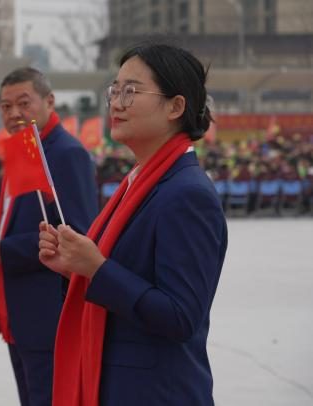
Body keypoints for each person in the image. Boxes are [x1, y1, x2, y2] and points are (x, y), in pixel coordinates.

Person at [38, 42, 228, 405]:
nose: (117, 102)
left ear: (176, 106)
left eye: (132, 91)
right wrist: (76, 269)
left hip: (156, 393)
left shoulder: (186, 194)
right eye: (115, 90)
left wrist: (97, 269)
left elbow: (180, 316)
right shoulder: (139, 184)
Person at [0, 67, 98, 406]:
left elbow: (78, 234)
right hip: (18, 308)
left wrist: (4, 250)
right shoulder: (21, 148)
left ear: (49, 101)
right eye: (5, 106)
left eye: (23, 103)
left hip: (48, 310)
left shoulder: (66, 153)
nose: (14, 113)